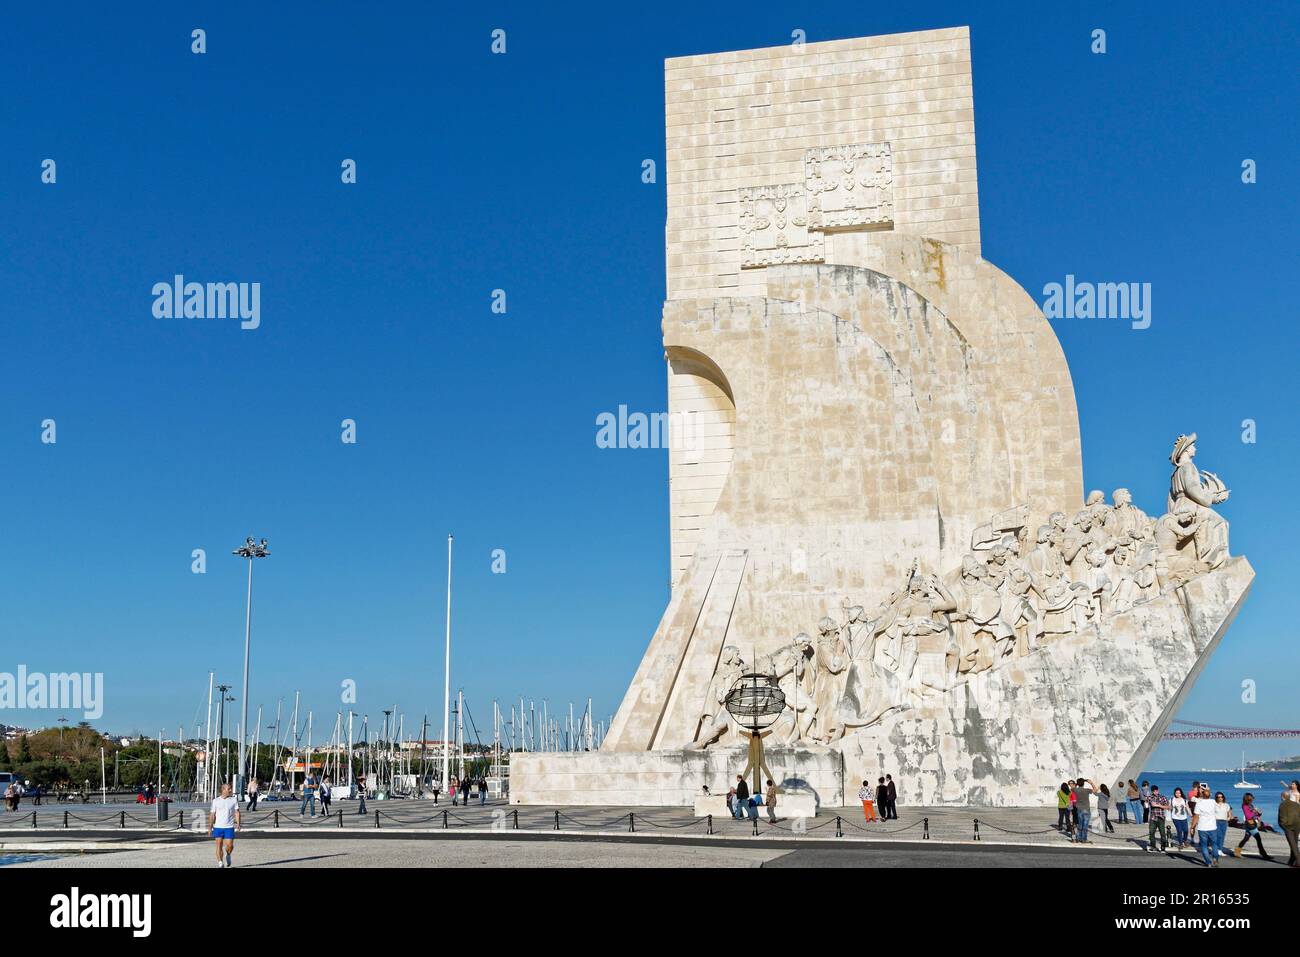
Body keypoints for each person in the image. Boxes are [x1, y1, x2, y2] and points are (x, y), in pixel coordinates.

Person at [209, 782, 241, 868]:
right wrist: (210, 827)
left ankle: (228, 855)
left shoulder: (233, 799)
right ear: (223, 790)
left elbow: (237, 812)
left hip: (229, 827)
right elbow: (212, 815)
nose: (230, 790)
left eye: (230, 788)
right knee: (218, 845)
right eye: (229, 789)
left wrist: (238, 823)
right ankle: (220, 862)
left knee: (230, 845)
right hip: (218, 827)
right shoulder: (215, 801)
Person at [1189, 783, 1220, 867]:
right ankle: (1215, 859)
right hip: (1212, 827)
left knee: (1204, 846)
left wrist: (1192, 827)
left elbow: (1196, 817)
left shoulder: (1199, 803)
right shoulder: (1213, 802)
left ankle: (1208, 862)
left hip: (1202, 828)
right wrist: (1208, 790)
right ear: (1210, 794)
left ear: (1202, 794)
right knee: (1214, 844)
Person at [1234, 793, 1271, 860]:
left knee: (1246, 838)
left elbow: (1253, 815)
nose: (1252, 800)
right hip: (1250, 825)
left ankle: (1237, 852)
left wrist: (1258, 814)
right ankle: (1263, 854)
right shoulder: (1244, 806)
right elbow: (1248, 816)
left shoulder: (1250, 805)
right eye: (1251, 798)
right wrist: (1254, 811)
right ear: (1247, 799)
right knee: (1258, 839)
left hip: (1251, 823)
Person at [1279, 789, 1300, 867]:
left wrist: (1282, 825)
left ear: (1283, 797)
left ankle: (1298, 861)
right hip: (1297, 825)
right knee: (1294, 843)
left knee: (1293, 844)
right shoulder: (1296, 804)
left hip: (1288, 826)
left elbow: (1281, 817)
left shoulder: (1282, 805)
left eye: (1281, 797)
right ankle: (1291, 860)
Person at [1146, 786, 1169, 852]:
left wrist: (1159, 805)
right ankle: (1153, 846)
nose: (1155, 792)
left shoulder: (1162, 797)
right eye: (1154, 791)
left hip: (1161, 818)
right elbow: (1150, 804)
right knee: (1151, 833)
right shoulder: (1150, 797)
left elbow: (1168, 806)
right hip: (1153, 818)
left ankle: (1163, 847)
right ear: (1152, 791)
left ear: (1158, 790)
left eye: (1156, 791)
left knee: (1162, 833)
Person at [1073, 778, 1095, 843]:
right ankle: (1084, 839)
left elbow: (1072, 788)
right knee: (1085, 825)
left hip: (1079, 809)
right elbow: (1095, 790)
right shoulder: (1087, 790)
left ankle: (1078, 838)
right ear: (1083, 783)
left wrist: (1077, 783)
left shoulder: (1075, 790)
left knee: (1080, 824)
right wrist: (1091, 783)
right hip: (1086, 809)